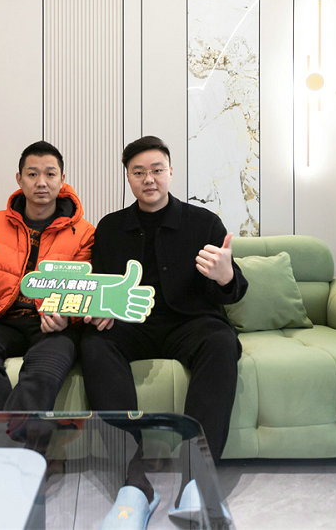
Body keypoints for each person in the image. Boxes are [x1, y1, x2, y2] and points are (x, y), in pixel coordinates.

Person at [80, 135, 247, 522]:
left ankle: (197, 481)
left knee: (221, 341)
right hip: (131, 324)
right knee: (94, 343)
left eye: (157, 170)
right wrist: (100, 309)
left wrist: (225, 275)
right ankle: (134, 483)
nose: (149, 179)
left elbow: (233, 288)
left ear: (170, 172)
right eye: (138, 172)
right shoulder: (110, 227)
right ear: (128, 177)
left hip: (189, 322)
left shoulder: (203, 222)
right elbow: (99, 284)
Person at [0, 141, 95, 414]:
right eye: (32, 174)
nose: (41, 182)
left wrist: (66, 317)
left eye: (50, 174)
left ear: (62, 179)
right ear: (19, 179)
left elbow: (84, 290)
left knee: (45, 371)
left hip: (50, 325)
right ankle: (15, 438)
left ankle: (2, 438)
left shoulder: (84, 233)